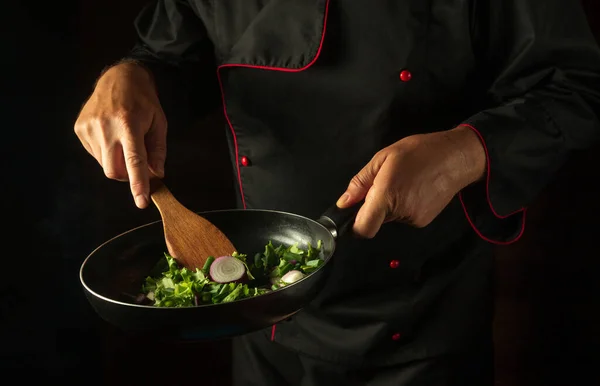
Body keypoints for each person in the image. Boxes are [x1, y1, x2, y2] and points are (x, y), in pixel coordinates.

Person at [74, 1, 600, 385]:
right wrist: (131, 74)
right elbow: (174, 54)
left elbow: (576, 87)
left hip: (420, 327)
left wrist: (465, 152)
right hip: (260, 316)